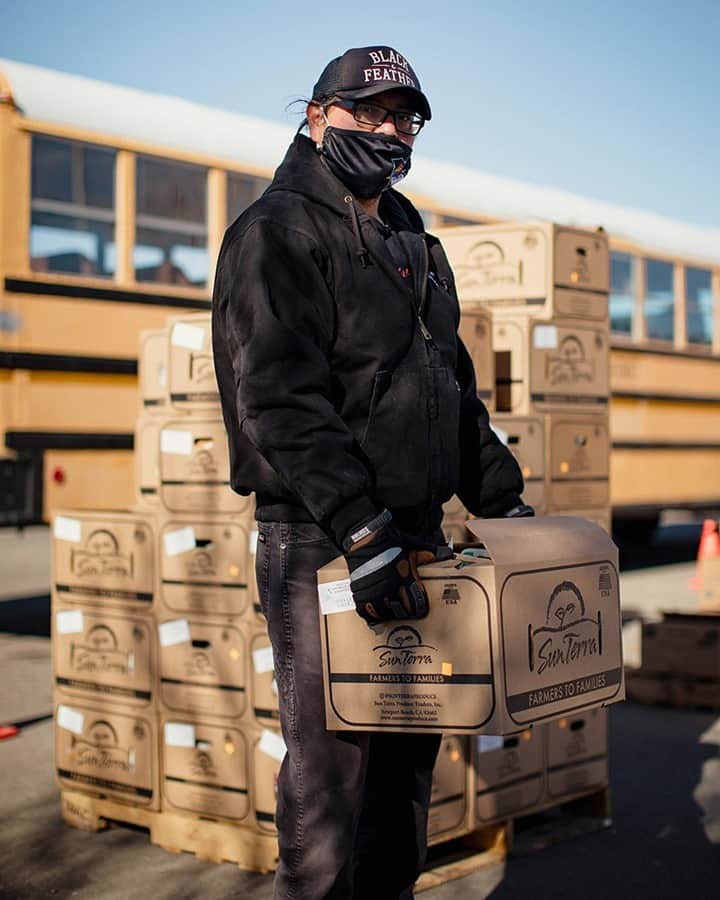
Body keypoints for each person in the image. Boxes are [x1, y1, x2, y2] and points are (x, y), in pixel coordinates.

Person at [212, 44, 531, 900]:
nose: (391, 131)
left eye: (405, 117)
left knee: (403, 775)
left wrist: (504, 499)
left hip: (413, 540)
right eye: (371, 112)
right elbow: (277, 401)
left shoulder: (411, 240)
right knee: (331, 777)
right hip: (324, 542)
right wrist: (361, 530)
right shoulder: (277, 233)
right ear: (318, 118)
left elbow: (447, 387)